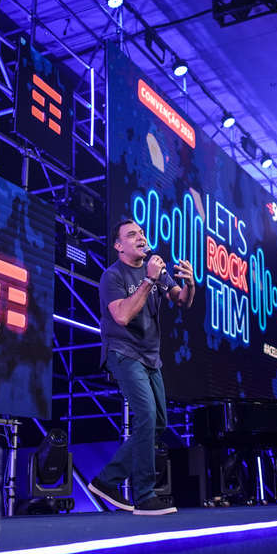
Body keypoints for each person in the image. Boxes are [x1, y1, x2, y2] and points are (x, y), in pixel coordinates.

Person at [88, 219, 195, 516]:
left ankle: (106, 480)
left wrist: (190, 284)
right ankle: (145, 496)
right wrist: (149, 280)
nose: (141, 237)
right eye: (132, 234)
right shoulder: (112, 276)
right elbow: (122, 317)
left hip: (150, 356)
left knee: (158, 422)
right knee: (146, 415)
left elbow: (182, 301)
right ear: (119, 246)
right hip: (122, 351)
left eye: (142, 233)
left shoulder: (157, 271)